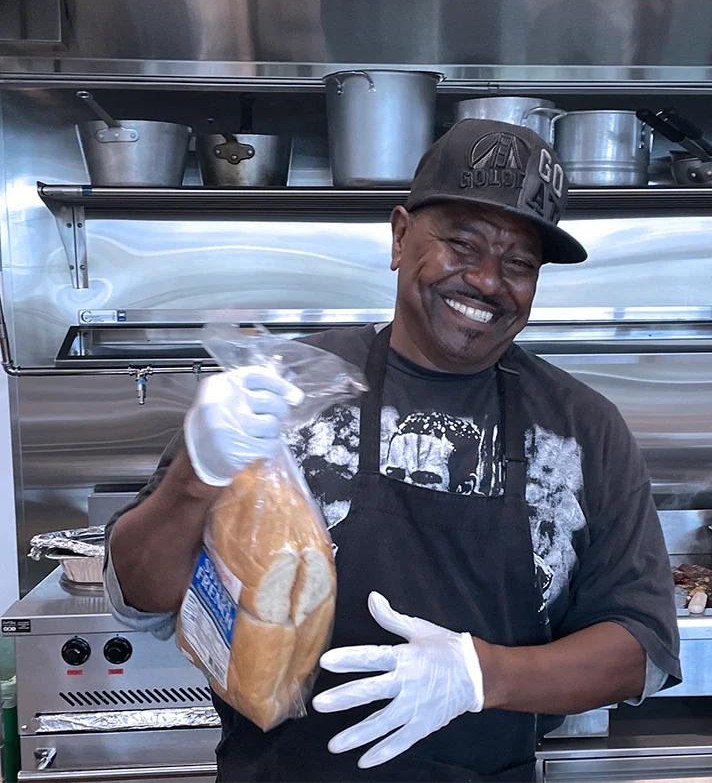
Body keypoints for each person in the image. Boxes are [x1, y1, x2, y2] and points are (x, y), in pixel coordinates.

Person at [105, 119, 681, 782]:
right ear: (400, 236)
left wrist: (480, 675)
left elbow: (640, 649)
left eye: (520, 263)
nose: (488, 280)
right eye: (461, 243)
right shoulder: (283, 390)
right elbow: (142, 596)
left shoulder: (582, 429)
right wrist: (196, 474)